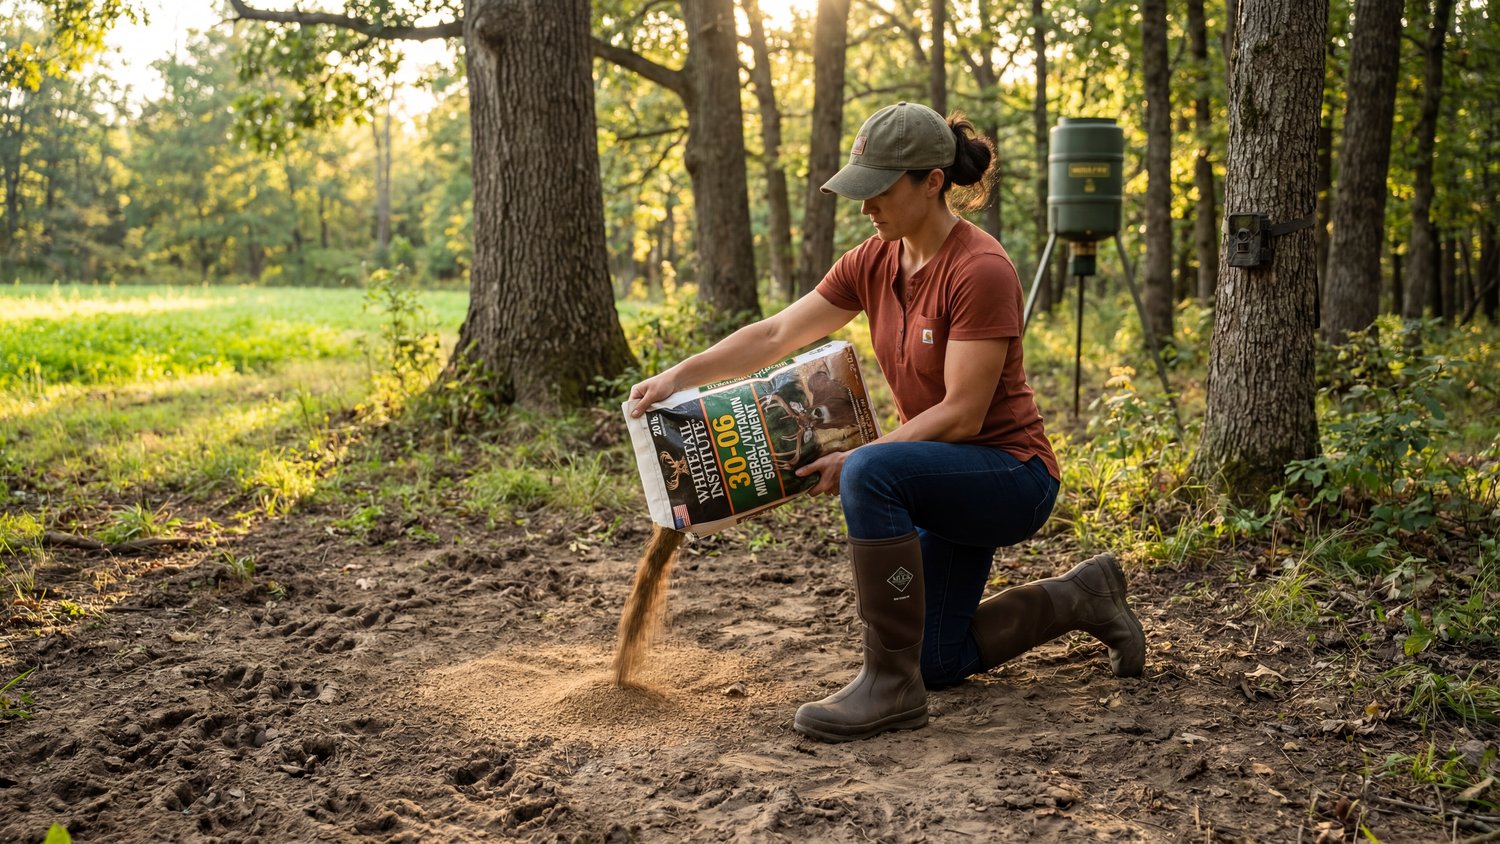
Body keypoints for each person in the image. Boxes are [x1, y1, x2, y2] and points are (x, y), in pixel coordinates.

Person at [628, 102, 1145, 743]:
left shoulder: (979, 269)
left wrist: (861, 463)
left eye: (880, 189)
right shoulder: (874, 260)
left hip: (1009, 476)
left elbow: (962, 412)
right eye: (859, 188)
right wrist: (679, 376)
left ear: (932, 180)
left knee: (870, 469)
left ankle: (889, 687)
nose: (866, 206)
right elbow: (778, 332)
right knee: (939, 659)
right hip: (935, 477)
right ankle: (1083, 596)